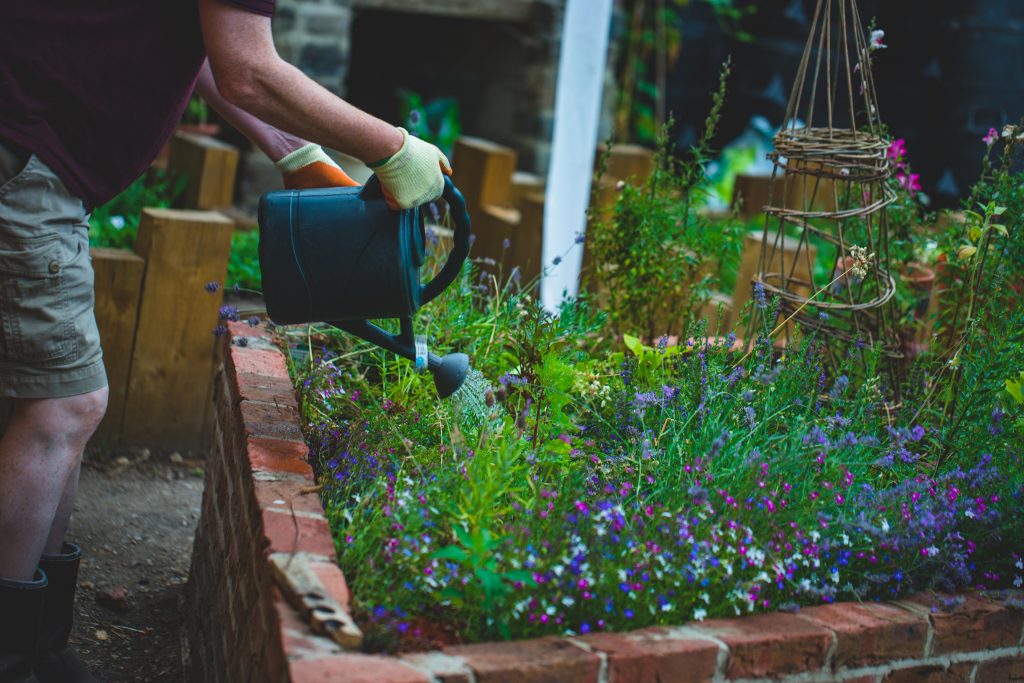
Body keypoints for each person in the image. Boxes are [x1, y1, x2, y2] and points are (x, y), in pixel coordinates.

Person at [0, 1, 452, 681]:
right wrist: (390, 145)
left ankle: (39, 641)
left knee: (57, 405)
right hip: (24, 153)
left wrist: (294, 151)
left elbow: (207, 45)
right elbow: (247, 68)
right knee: (64, 407)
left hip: (38, 154)